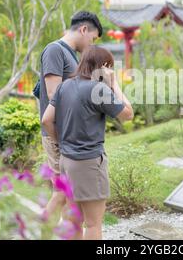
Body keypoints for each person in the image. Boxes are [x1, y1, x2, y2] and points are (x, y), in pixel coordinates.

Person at [41, 46, 134, 240]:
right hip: (89, 163)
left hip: (67, 161)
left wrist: (61, 142)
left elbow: (46, 120)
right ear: (103, 66)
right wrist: (114, 83)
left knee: (73, 219)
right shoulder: (98, 89)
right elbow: (128, 114)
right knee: (92, 223)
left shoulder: (64, 86)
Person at [39, 11, 103, 224]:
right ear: (84, 30)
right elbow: (53, 94)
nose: (91, 45)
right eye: (92, 39)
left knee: (68, 198)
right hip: (57, 133)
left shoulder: (70, 55)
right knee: (61, 193)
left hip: (69, 136)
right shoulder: (55, 50)